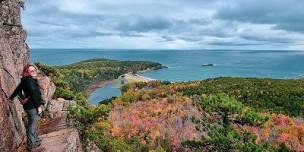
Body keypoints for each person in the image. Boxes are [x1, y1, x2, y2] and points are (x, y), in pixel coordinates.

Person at [7, 64, 45, 150]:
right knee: (32, 125)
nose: (34, 72)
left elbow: (17, 89)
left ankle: (35, 140)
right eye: (31, 71)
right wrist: (38, 106)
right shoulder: (30, 81)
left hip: (29, 106)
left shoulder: (25, 80)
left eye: (34, 70)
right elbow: (34, 94)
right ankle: (31, 144)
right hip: (32, 106)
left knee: (33, 124)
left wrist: (11, 98)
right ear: (27, 72)